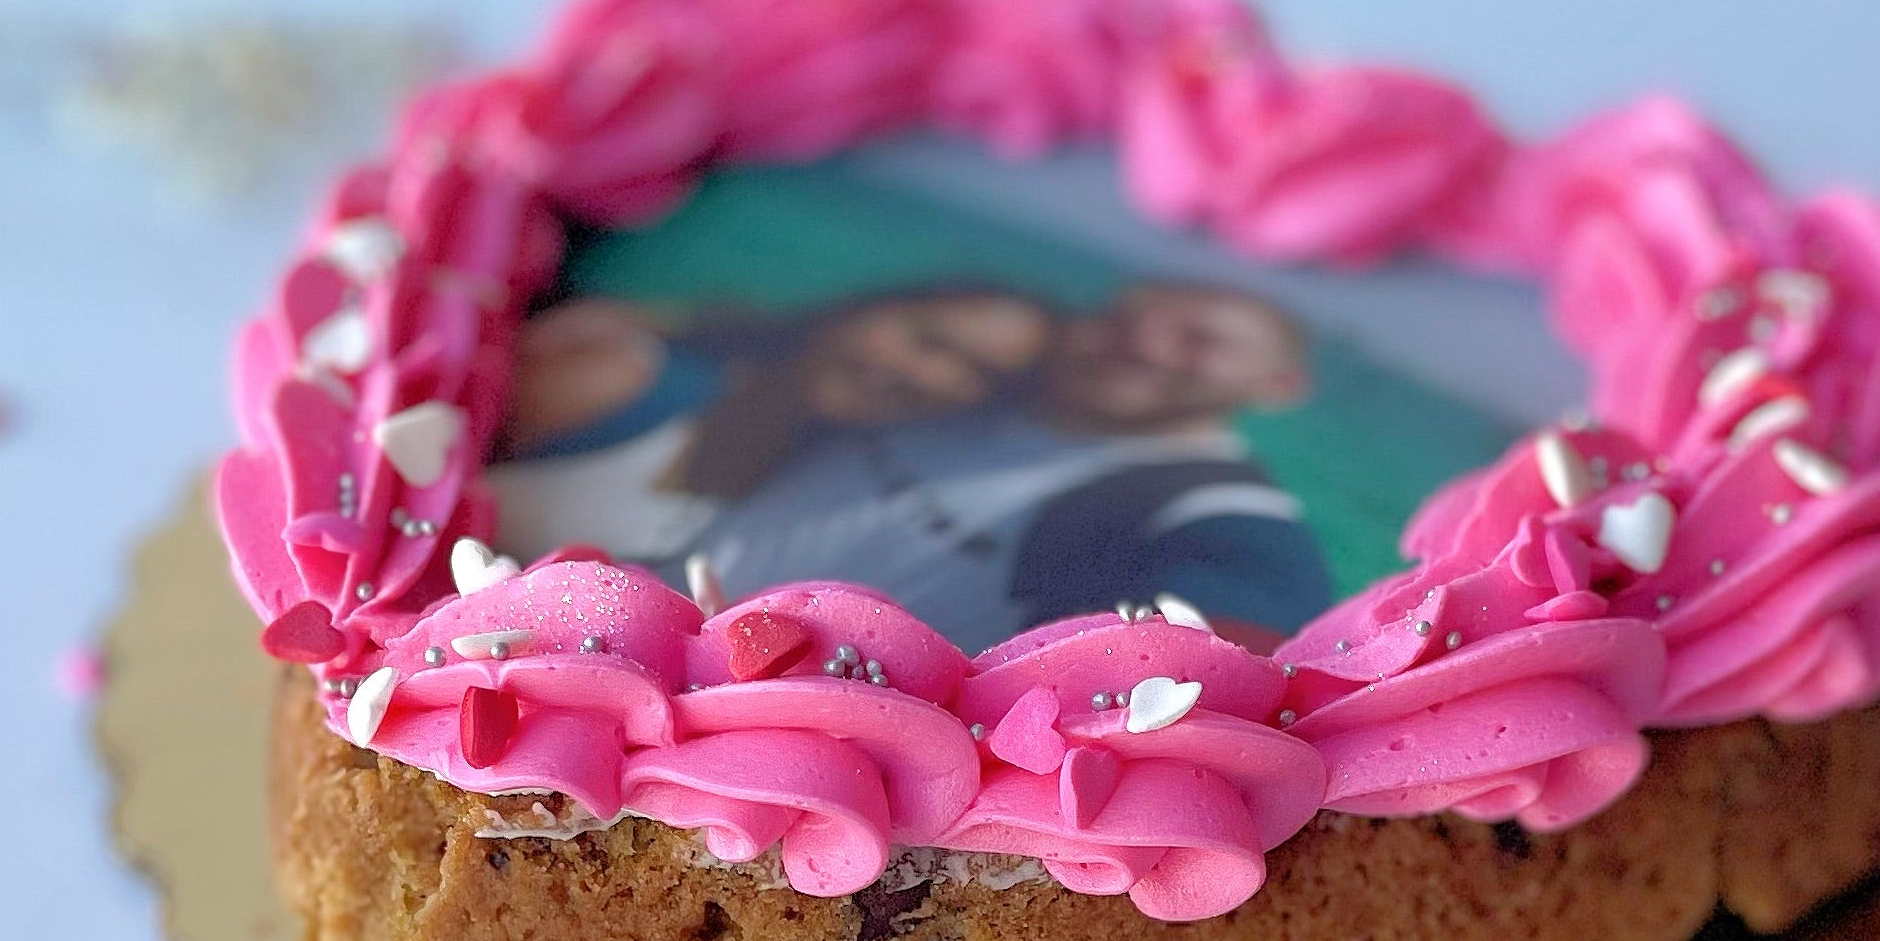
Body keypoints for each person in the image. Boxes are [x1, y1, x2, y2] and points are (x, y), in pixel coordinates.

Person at [486, 277, 1332, 650]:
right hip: (577, 642)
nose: (1146, 343)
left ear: (1278, 386)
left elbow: (1236, 668)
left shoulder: (1211, 509)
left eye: (1199, 339)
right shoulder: (960, 399)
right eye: (1121, 319)